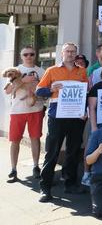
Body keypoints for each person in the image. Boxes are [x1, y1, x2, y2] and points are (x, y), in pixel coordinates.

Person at [35, 42, 89, 202]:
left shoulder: (82, 71)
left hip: (76, 117)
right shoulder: (52, 70)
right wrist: (51, 89)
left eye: (73, 52)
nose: (70, 54)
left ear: (76, 54)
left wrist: (84, 111)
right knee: (52, 152)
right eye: (68, 51)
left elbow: (85, 94)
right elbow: (39, 91)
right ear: (62, 53)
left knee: (73, 152)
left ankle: (70, 184)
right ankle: (45, 187)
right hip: (57, 116)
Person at [5, 46, 45, 183]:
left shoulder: (41, 71)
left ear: (35, 55)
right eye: (25, 54)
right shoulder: (15, 70)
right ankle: (13, 169)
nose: (28, 56)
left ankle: (35, 166)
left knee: (35, 138)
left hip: (36, 110)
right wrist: (23, 81)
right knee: (15, 140)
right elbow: (8, 91)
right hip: (17, 111)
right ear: (21, 56)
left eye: (31, 54)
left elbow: (44, 91)